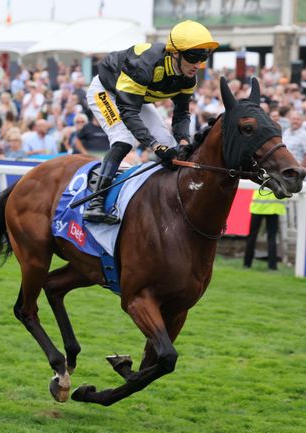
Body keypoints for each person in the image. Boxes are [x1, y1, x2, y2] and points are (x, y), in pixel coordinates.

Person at [83, 19, 218, 224]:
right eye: (193, 57)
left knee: (173, 146)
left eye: (203, 56)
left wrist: (182, 141)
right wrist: (155, 146)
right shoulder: (144, 65)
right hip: (107, 91)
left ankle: (163, 202)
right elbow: (128, 113)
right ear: (175, 53)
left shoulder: (188, 77)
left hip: (137, 97)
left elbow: (181, 114)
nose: (198, 64)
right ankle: (95, 202)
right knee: (123, 140)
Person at [243, 189, 287, 270]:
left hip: (258, 206)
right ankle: (272, 266)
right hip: (273, 208)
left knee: (252, 236)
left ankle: (246, 264)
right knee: (272, 238)